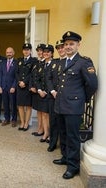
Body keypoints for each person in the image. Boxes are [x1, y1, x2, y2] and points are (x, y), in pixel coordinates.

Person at [53, 31, 98, 179]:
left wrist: (81, 99)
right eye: (66, 44)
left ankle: (73, 167)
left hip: (73, 106)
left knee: (73, 137)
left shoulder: (84, 62)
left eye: (71, 44)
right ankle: (66, 157)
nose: (68, 47)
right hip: (60, 104)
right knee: (63, 134)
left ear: (78, 45)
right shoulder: (62, 62)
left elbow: (92, 84)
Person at [46, 39, 66, 152]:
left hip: (64, 98)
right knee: (53, 121)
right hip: (53, 97)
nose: (60, 49)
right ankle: (53, 143)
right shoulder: (54, 63)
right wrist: (53, 91)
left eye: (62, 47)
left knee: (63, 123)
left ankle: (63, 147)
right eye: (58, 48)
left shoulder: (68, 62)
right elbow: (48, 78)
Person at [35, 44, 54, 143]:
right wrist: (39, 90)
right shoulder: (41, 64)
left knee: (48, 115)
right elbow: (37, 78)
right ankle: (46, 133)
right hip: (41, 93)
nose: (45, 54)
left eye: (48, 52)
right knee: (43, 114)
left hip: (49, 94)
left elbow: (53, 80)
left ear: (51, 53)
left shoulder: (54, 64)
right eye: (44, 52)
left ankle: (50, 133)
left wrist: (46, 91)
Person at [16, 43, 37, 131]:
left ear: (30, 51)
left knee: (28, 106)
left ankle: (26, 123)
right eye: (24, 49)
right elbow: (16, 72)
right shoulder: (19, 60)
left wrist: (24, 82)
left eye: (28, 49)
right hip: (20, 86)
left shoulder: (34, 61)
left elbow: (32, 73)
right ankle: (22, 122)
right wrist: (19, 81)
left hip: (28, 86)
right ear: (22, 51)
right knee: (20, 105)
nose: (26, 51)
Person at [0, 47, 17, 127]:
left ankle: (14, 120)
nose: (9, 54)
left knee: (13, 104)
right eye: (7, 52)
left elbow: (17, 76)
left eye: (10, 52)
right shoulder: (2, 63)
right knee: (5, 104)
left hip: (12, 87)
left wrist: (14, 86)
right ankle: (7, 119)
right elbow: (0, 75)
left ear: (13, 53)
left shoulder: (16, 63)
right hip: (4, 87)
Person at [31, 44, 46, 137]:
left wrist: (39, 89)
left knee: (44, 112)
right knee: (39, 111)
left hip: (43, 91)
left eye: (42, 51)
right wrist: (32, 86)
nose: (40, 53)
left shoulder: (47, 63)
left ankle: (44, 130)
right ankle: (40, 128)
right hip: (36, 91)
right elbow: (34, 76)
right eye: (38, 51)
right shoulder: (37, 63)